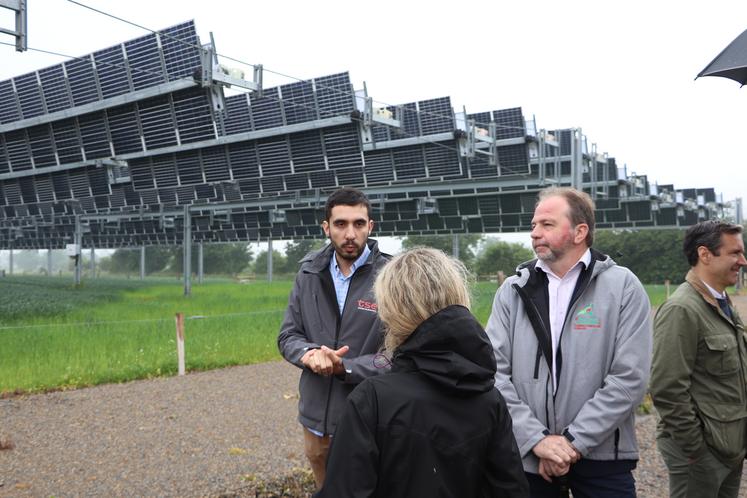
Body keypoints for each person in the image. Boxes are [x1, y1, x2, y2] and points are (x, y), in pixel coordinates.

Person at [315, 248, 529, 497]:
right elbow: (511, 489)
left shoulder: (372, 401)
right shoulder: (490, 397)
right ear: (458, 297)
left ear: (391, 310)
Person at [485, 187, 652, 497]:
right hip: (528, 458)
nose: (535, 233)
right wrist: (537, 440)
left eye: (547, 224)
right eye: (534, 225)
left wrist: (572, 443)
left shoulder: (623, 287)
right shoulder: (512, 290)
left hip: (603, 459)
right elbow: (493, 373)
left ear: (580, 232)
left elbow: (630, 378)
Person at [277, 187, 391, 489]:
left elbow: (398, 355)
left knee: (368, 486)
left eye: (358, 223)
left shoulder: (391, 276)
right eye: (340, 224)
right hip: (315, 416)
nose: (350, 233)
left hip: (368, 416)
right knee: (325, 487)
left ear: (370, 226)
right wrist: (309, 354)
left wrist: (347, 367)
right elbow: (288, 335)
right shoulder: (308, 273)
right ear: (326, 227)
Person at [650, 220, 747, 498]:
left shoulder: (722, 304)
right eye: (735, 253)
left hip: (728, 449)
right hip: (704, 455)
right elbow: (667, 389)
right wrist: (696, 450)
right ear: (705, 255)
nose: (743, 260)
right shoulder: (682, 309)